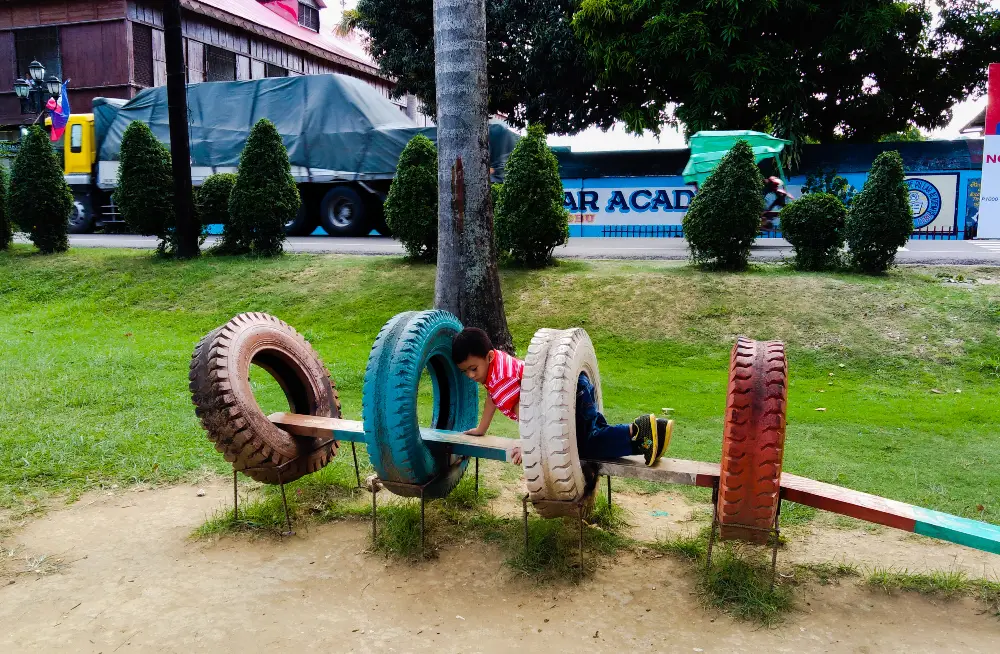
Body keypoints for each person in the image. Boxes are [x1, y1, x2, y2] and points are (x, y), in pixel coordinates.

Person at [451, 327, 671, 467]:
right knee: (590, 435)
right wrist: (482, 429)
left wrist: (528, 446)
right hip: (573, 388)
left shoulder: (501, 379)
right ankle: (645, 440)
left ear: (489, 357)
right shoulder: (495, 366)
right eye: (465, 372)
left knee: (583, 445)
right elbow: (491, 397)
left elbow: (528, 412)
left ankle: (639, 429)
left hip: (568, 397)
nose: (471, 376)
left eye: (473, 369)